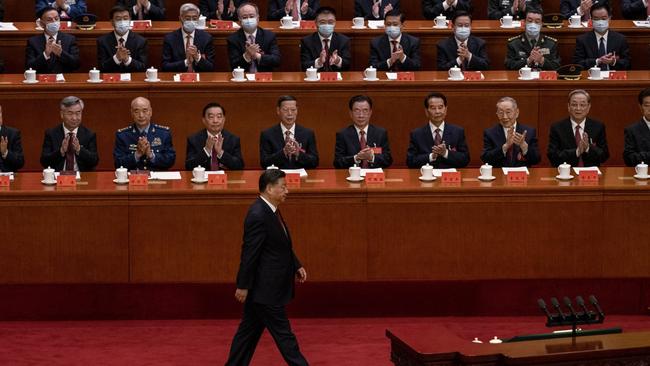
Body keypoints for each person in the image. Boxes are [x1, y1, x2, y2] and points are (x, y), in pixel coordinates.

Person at [224, 169, 309, 366]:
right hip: (266, 290)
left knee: (247, 336)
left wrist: (296, 264)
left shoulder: (271, 209)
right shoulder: (258, 214)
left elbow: (278, 245)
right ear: (270, 189)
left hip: (262, 291)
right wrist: (243, 285)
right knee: (286, 339)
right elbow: (250, 254)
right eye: (283, 187)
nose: (287, 190)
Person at [406, 92, 469, 169]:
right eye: (433, 108)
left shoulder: (457, 131)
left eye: (440, 107)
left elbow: (465, 159)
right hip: (426, 177)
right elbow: (410, 162)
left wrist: (445, 153)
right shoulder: (417, 134)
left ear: (446, 110)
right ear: (426, 111)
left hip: (450, 177)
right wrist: (431, 156)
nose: (437, 111)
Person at [547, 89, 609, 167]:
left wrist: (587, 148)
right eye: (574, 104)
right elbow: (552, 156)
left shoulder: (598, 126)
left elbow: (604, 156)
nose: (578, 108)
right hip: (566, 173)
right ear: (568, 107)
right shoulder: (557, 128)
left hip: (590, 174)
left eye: (582, 105)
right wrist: (576, 152)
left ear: (588, 107)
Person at [113, 97, 176, 170]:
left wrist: (151, 155)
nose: (141, 115)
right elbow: (118, 163)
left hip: (158, 178)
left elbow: (171, 161)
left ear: (151, 112)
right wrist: (137, 154)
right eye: (136, 111)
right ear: (132, 113)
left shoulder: (164, 133)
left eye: (145, 110)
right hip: (133, 178)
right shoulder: (122, 135)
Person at [40, 96, 98, 172]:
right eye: (70, 113)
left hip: (82, 178)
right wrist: (61, 151)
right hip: (58, 177)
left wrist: (79, 149)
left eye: (78, 113)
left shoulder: (89, 134)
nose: (74, 118)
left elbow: (94, 161)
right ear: (62, 114)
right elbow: (44, 162)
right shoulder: (51, 134)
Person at [260, 95, 319, 169]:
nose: (290, 113)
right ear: (278, 111)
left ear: (297, 111)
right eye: (285, 110)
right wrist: (283, 152)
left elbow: (315, 162)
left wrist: (298, 153)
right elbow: (264, 163)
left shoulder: (308, 133)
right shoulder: (267, 134)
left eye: (293, 109)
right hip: (277, 178)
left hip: (302, 177)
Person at [334, 95, 392, 169]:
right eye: (357, 110)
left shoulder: (380, 133)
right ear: (351, 113)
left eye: (365, 110)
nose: (361, 115)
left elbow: (388, 160)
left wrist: (371, 157)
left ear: (370, 113)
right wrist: (356, 158)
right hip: (352, 177)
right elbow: (337, 162)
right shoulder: (343, 134)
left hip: (374, 177)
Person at [481, 97, 540, 167]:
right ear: (497, 114)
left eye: (508, 112)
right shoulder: (490, 133)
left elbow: (537, 159)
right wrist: (505, 147)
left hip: (523, 176)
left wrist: (524, 147)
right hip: (499, 175)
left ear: (517, 113)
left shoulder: (529, 132)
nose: (504, 117)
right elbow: (485, 158)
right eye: (501, 112)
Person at [185, 102, 244, 170]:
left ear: (224, 119)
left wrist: (220, 152)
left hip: (226, 179)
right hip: (202, 180)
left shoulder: (233, 139)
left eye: (219, 117)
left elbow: (239, 166)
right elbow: (188, 166)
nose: (215, 121)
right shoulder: (193, 140)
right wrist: (206, 150)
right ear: (204, 120)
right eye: (211, 117)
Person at [573, 3, 631, 70]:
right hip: (592, 78)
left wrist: (613, 62)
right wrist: (597, 61)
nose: (600, 22)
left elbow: (627, 64)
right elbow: (577, 64)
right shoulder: (582, 40)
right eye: (596, 19)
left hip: (612, 78)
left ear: (609, 18)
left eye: (604, 18)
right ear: (591, 20)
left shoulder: (620, 39)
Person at [228, 2, 282, 72]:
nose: (248, 20)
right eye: (244, 17)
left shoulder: (269, 36)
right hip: (243, 79)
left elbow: (276, 61)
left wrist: (256, 55)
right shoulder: (233, 39)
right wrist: (247, 56)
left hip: (264, 79)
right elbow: (233, 65)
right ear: (240, 20)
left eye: (251, 16)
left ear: (257, 18)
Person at [162, 3, 215, 72]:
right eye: (187, 18)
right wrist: (186, 62)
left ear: (198, 19)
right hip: (178, 79)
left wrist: (197, 57)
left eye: (194, 18)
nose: (191, 21)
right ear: (180, 18)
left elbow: (211, 68)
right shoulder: (170, 39)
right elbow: (165, 67)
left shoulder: (206, 38)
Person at [26, 7, 80, 74]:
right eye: (49, 20)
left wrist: (61, 53)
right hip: (42, 82)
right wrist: (45, 54)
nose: (54, 22)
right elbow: (29, 67)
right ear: (41, 24)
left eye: (56, 19)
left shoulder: (70, 39)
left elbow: (76, 65)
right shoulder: (33, 42)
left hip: (64, 81)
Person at [97, 5, 148, 73]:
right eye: (118, 19)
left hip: (133, 81)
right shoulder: (102, 41)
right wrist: (116, 58)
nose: (122, 22)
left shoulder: (141, 41)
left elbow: (143, 68)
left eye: (125, 18)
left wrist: (127, 59)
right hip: (112, 81)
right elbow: (101, 68)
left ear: (130, 20)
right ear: (112, 22)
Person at [299, 6, 350, 71]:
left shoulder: (343, 40)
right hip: (315, 78)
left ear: (335, 23)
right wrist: (319, 62)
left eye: (330, 22)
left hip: (337, 79)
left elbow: (347, 65)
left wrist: (338, 61)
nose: (327, 25)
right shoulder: (306, 41)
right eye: (322, 22)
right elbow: (304, 66)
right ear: (316, 23)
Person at [623, 88, 650, 166]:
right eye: (647, 105)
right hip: (642, 174)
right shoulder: (632, 130)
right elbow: (629, 158)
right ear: (640, 107)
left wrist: (643, 155)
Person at [0, 106, 25, 173]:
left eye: (0, 112)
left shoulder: (12, 134)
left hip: (7, 179)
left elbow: (20, 162)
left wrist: (5, 153)